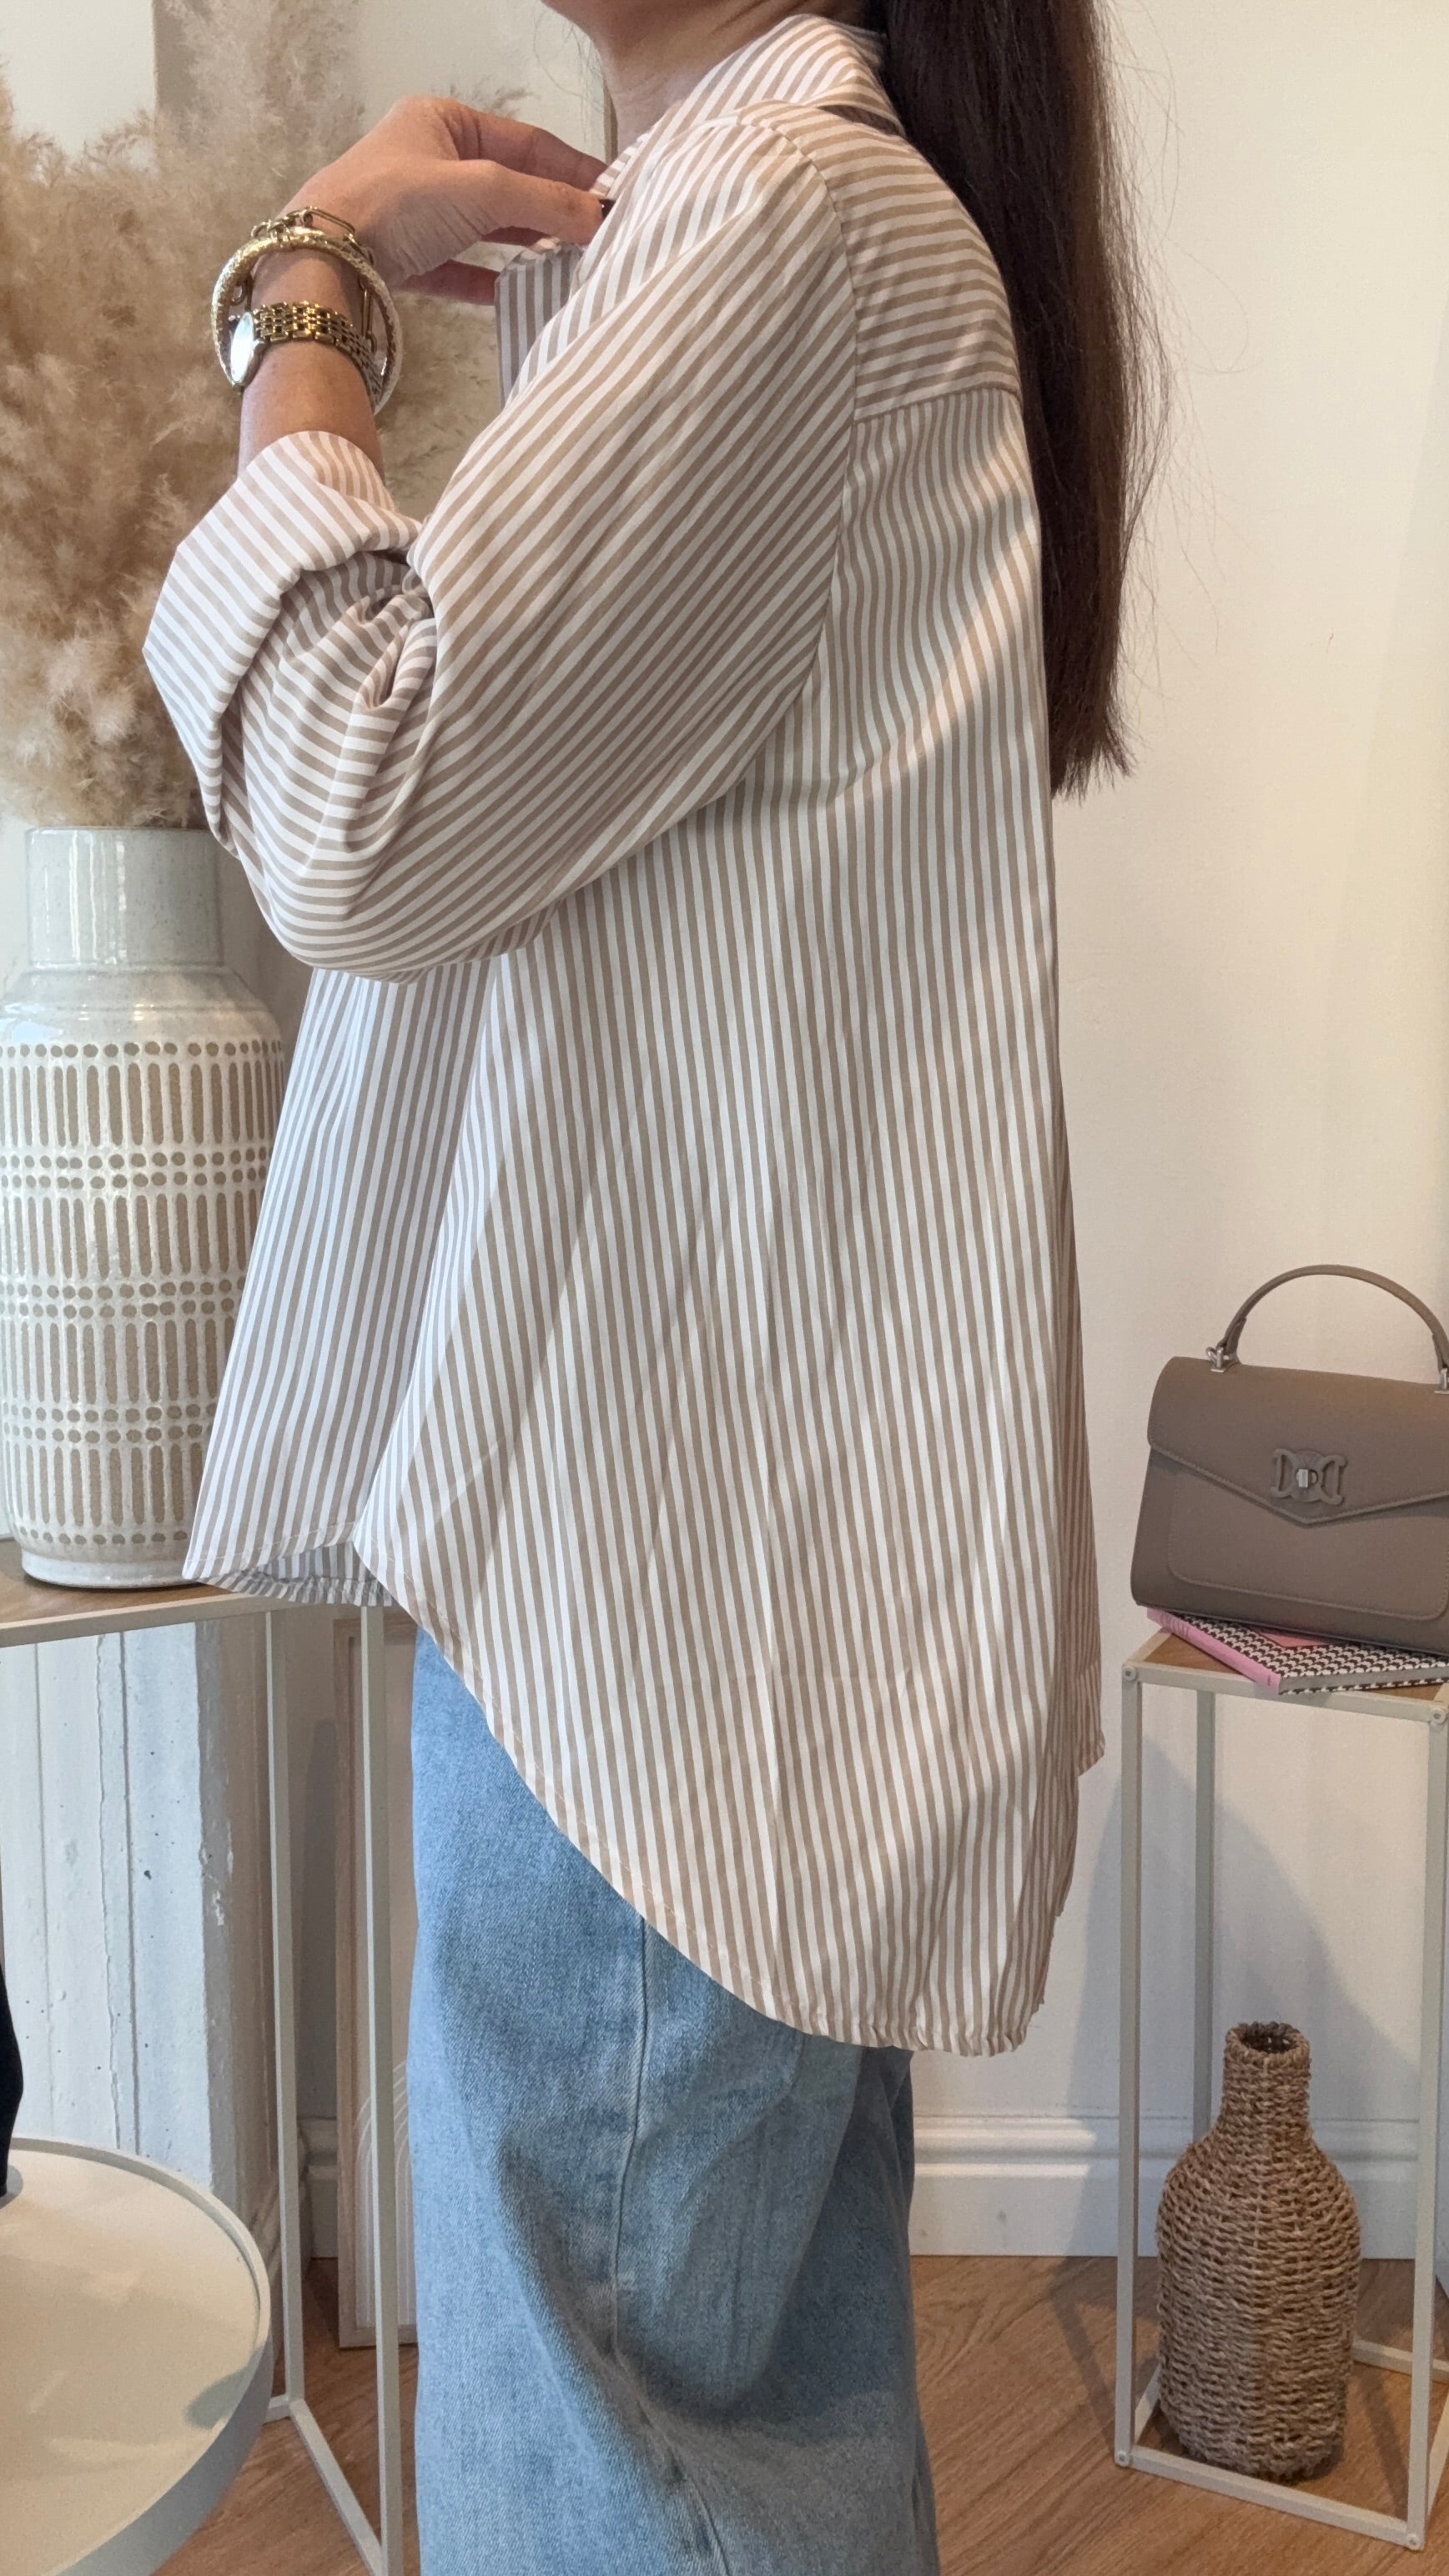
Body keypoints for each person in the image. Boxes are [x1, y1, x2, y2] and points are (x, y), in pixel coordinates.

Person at [146, 3, 1156, 2567]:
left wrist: (301, 303)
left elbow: (358, 809)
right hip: (692, 1558)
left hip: (656, 1583)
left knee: (616, 2459)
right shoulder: (752, 214)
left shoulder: (788, 220)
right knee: (720, 2425)